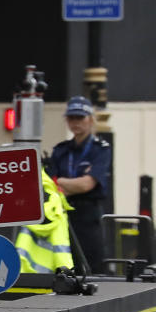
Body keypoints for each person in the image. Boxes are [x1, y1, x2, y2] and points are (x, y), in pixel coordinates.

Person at [49, 96, 112, 273]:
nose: (75, 122)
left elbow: (87, 185)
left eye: (80, 117)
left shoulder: (100, 149)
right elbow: (50, 185)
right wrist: (68, 184)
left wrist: (61, 183)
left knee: (92, 265)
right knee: (65, 264)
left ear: (90, 120)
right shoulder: (60, 150)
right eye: (71, 118)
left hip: (88, 215)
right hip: (63, 214)